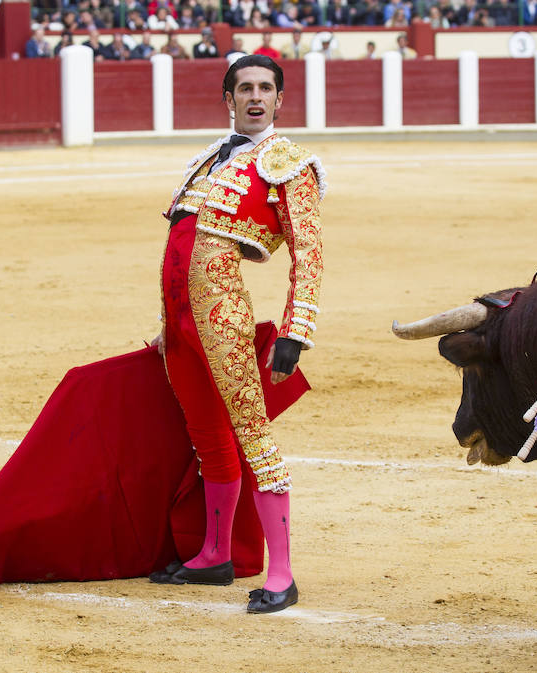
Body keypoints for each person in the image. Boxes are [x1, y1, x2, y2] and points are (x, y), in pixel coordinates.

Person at [148, 54, 323, 614]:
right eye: (244, 88)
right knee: (207, 438)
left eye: (265, 89)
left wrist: (297, 329)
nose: (254, 97)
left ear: (279, 99)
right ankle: (215, 554)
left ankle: (284, 574)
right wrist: (166, 323)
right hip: (179, 321)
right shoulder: (208, 159)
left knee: (251, 435)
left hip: (222, 316)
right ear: (228, 98)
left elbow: (309, 254)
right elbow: (183, 245)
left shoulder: (289, 163)